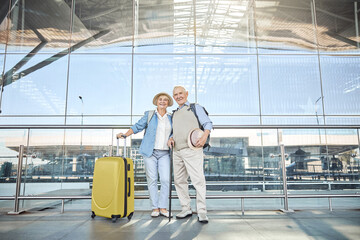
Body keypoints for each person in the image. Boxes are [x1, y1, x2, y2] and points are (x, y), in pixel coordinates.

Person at [117, 92, 173, 218]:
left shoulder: (171, 117)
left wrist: (172, 137)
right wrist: (126, 134)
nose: (162, 102)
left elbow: (175, 132)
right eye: (160, 99)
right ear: (156, 102)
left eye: (165, 100)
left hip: (165, 153)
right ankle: (155, 208)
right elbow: (138, 126)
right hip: (150, 152)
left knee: (165, 180)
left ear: (168, 103)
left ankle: (163, 207)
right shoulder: (150, 115)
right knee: (152, 180)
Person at [167, 86, 212, 223]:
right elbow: (175, 130)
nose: (178, 96)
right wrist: (170, 138)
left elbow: (208, 123)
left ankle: (202, 211)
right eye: (175, 94)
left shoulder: (194, 107)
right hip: (177, 151)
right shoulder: (174, 113)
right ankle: (186, 208)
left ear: (186, 94)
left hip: (193, 149)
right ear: (173, 97)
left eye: (181, 93)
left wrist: (205, 135)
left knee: (198, 180)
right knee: (179, 181)